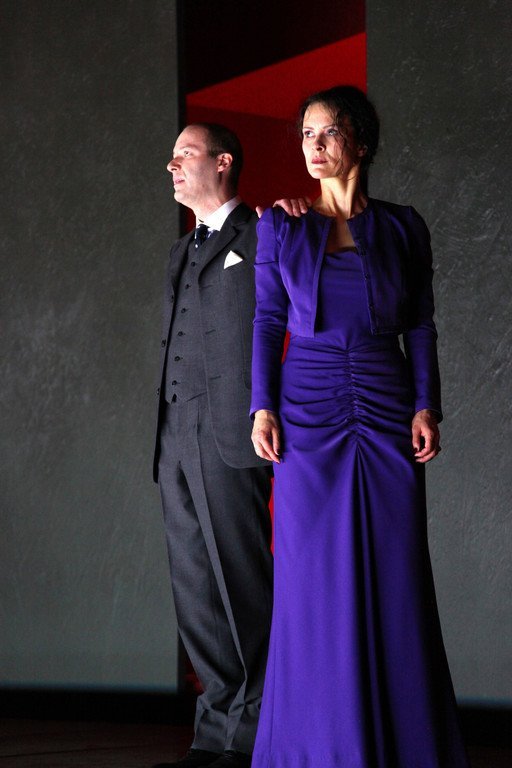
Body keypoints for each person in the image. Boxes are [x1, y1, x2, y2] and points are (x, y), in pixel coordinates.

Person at [250, 87, 470, 767]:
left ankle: (403, 747)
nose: (314, 146)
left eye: (329, 133)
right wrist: (262, 406)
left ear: (362, 143)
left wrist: (426, 404)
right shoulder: (281, 225)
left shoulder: (404, 226)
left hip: (384, 402)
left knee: (395, 574)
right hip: (307, 410)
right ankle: (316, 747)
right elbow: (267, 321)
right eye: (306, 134)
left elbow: (421, 324)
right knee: (310, 581)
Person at [152, 123, 274, 768]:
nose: (172, 166)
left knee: (241, 587)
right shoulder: (181, 250)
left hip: (231, 435)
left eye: (185, 155)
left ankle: (252, 739)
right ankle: (213, 735)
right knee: (195, 593)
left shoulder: (263, 234)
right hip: (173, 436)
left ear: (223, 162)